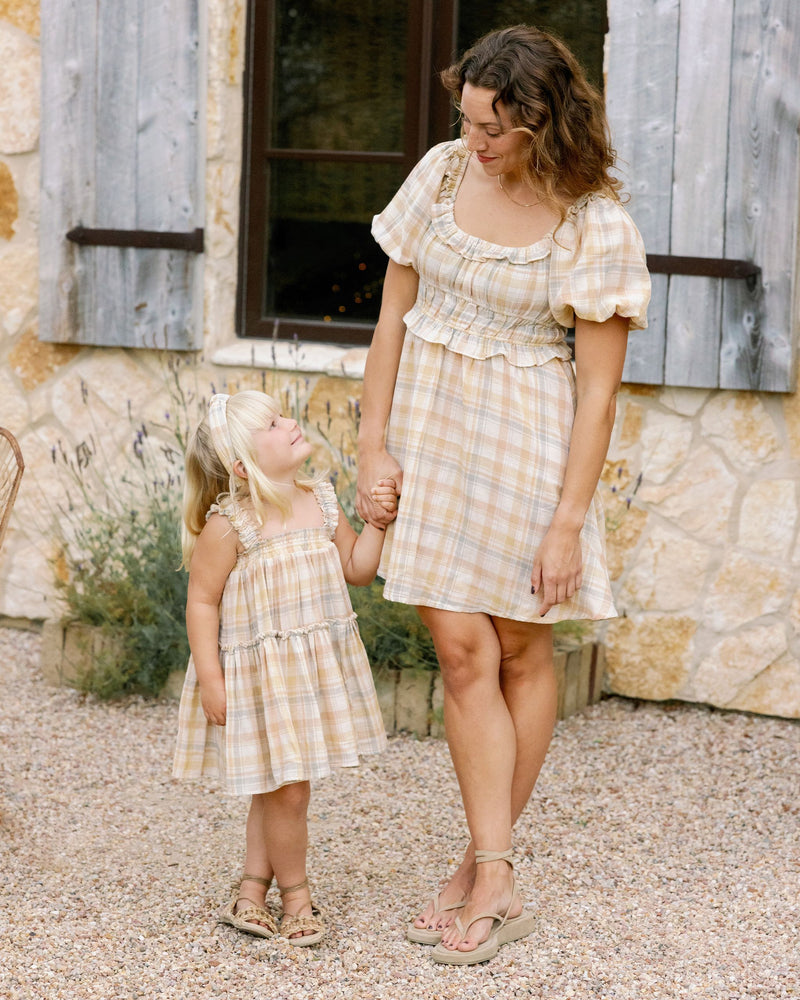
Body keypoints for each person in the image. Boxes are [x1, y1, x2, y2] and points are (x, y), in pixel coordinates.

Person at [355, 25, 650, 965]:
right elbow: (390, 324)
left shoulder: (594, 220)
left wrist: (569, 523)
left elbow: (598, 391)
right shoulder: (441, 177)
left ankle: (487, 867)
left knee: (522, 652)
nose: (474, 140)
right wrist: (372, 446)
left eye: (493, 127)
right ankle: (494, 867)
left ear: (543, 121)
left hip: (529, 451)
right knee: (458, 647)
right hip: (433, 440)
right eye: (468, 119)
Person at [173, 390, 397, 946]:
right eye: (273, 424)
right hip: (259, 680)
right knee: (290, 792)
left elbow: (358, 569)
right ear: (243, 467)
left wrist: (379, 524)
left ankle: (251, 892)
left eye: (281, 415)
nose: (291, 422)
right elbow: (201, 601)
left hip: (310, 675)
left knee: (276, 787)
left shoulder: (320, 500)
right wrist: (210, 680)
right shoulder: (231, 524)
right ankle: (296, 897)